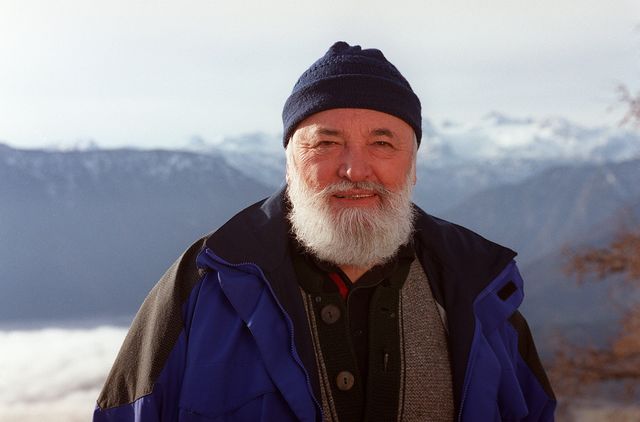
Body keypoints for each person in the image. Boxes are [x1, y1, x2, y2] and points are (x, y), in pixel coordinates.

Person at [94, 41, 556, 422]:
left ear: (413, 165)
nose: (355, 170)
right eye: (326, 143)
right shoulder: (202, 287)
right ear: (289, 165)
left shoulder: (477, 289)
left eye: (382, 143)